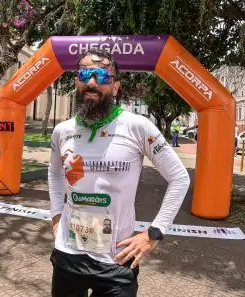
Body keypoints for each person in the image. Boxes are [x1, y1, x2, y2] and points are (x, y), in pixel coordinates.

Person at [48, 49, 190, 296]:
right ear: (76, 82)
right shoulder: (62, 131)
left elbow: (179, 178)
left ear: (115, 87)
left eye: (102, 76)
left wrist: (153, 234)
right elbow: (54, 172)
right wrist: (56, 215)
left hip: (116, 259)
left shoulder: (137, 126)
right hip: (68, 254)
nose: (92, 82)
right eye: (85, 74)